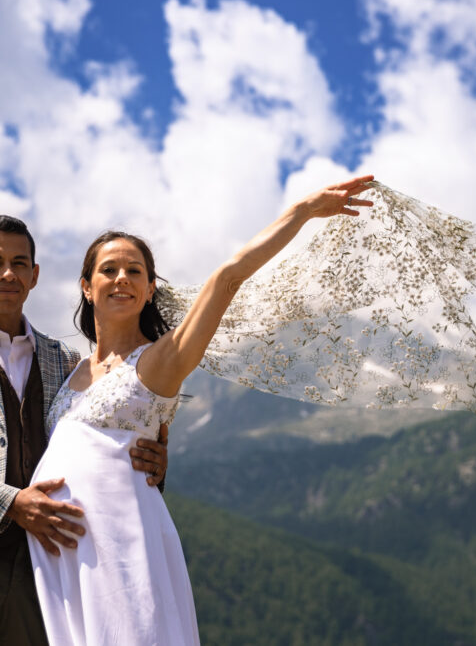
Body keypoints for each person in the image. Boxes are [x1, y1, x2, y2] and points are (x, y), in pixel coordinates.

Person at [29, 174, 377, 645]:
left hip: (123, 539)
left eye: (135, 271)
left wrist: (302, 211)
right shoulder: (66, 370)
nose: (122, 279)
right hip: (63, 548)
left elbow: (228, 277)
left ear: (150, 289)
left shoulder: (160, 360)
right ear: (87, 286)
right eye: (109, 270)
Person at [0, 214, 170, 645]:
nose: (8, 273)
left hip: (45, 567)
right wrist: (11, 503)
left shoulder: (63, 361)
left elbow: (96, 436)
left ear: (35, 275)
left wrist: (152, 459)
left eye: (20, 263)